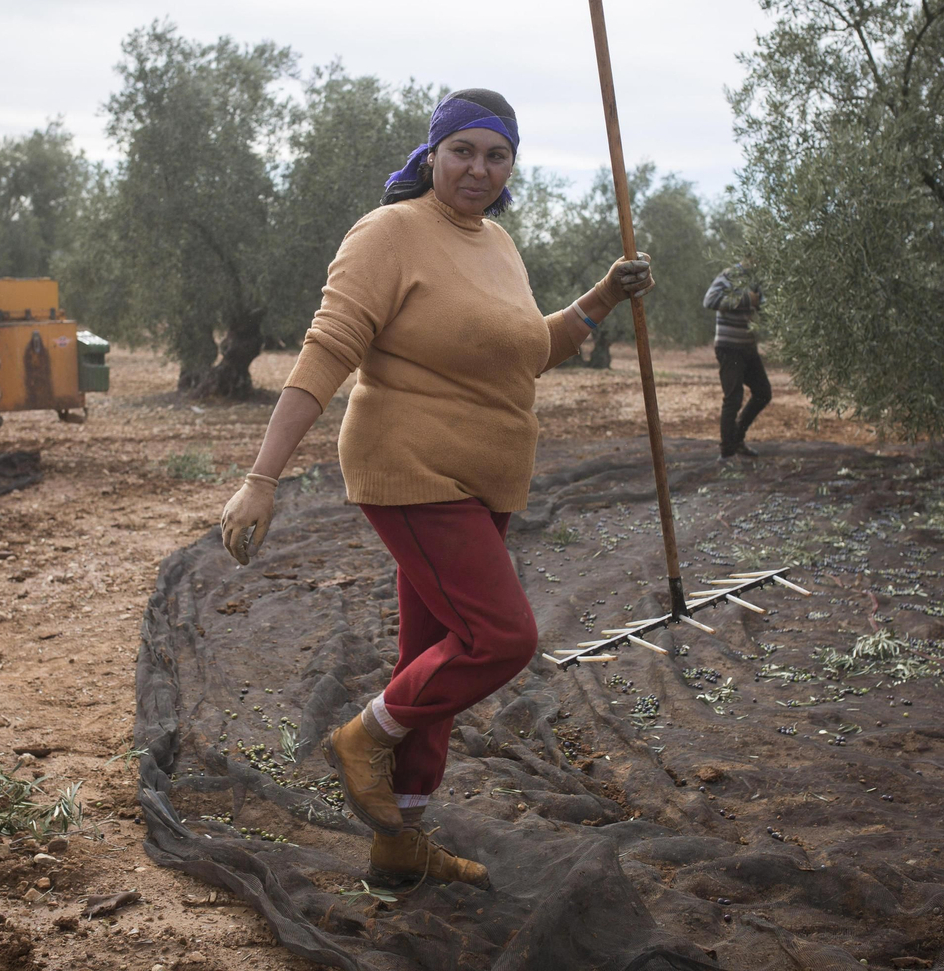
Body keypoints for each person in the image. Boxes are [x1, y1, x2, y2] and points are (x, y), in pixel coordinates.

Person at [218, 89, 652, 889]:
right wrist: (261, 478)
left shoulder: (499, 245)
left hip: (487, 485)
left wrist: (600, 299)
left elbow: (527, 351)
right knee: (500, 639)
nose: (478, 170)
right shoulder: (391, 234)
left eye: (497, 156)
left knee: (433, 660)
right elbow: (326, 353)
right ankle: (363, 737)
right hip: (414, 472)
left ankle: (400, 846)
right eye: (464, 151)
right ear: (430, 155)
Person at [703, 261, 771, 459]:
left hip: (748, 347)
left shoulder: (757, 280)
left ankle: (737, 439)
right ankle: (727, 453)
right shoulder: (729, 275)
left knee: (763, 393)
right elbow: (710, 300)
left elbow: (762, 304)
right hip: (729, 348)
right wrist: (746, 300)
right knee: (733, 398)